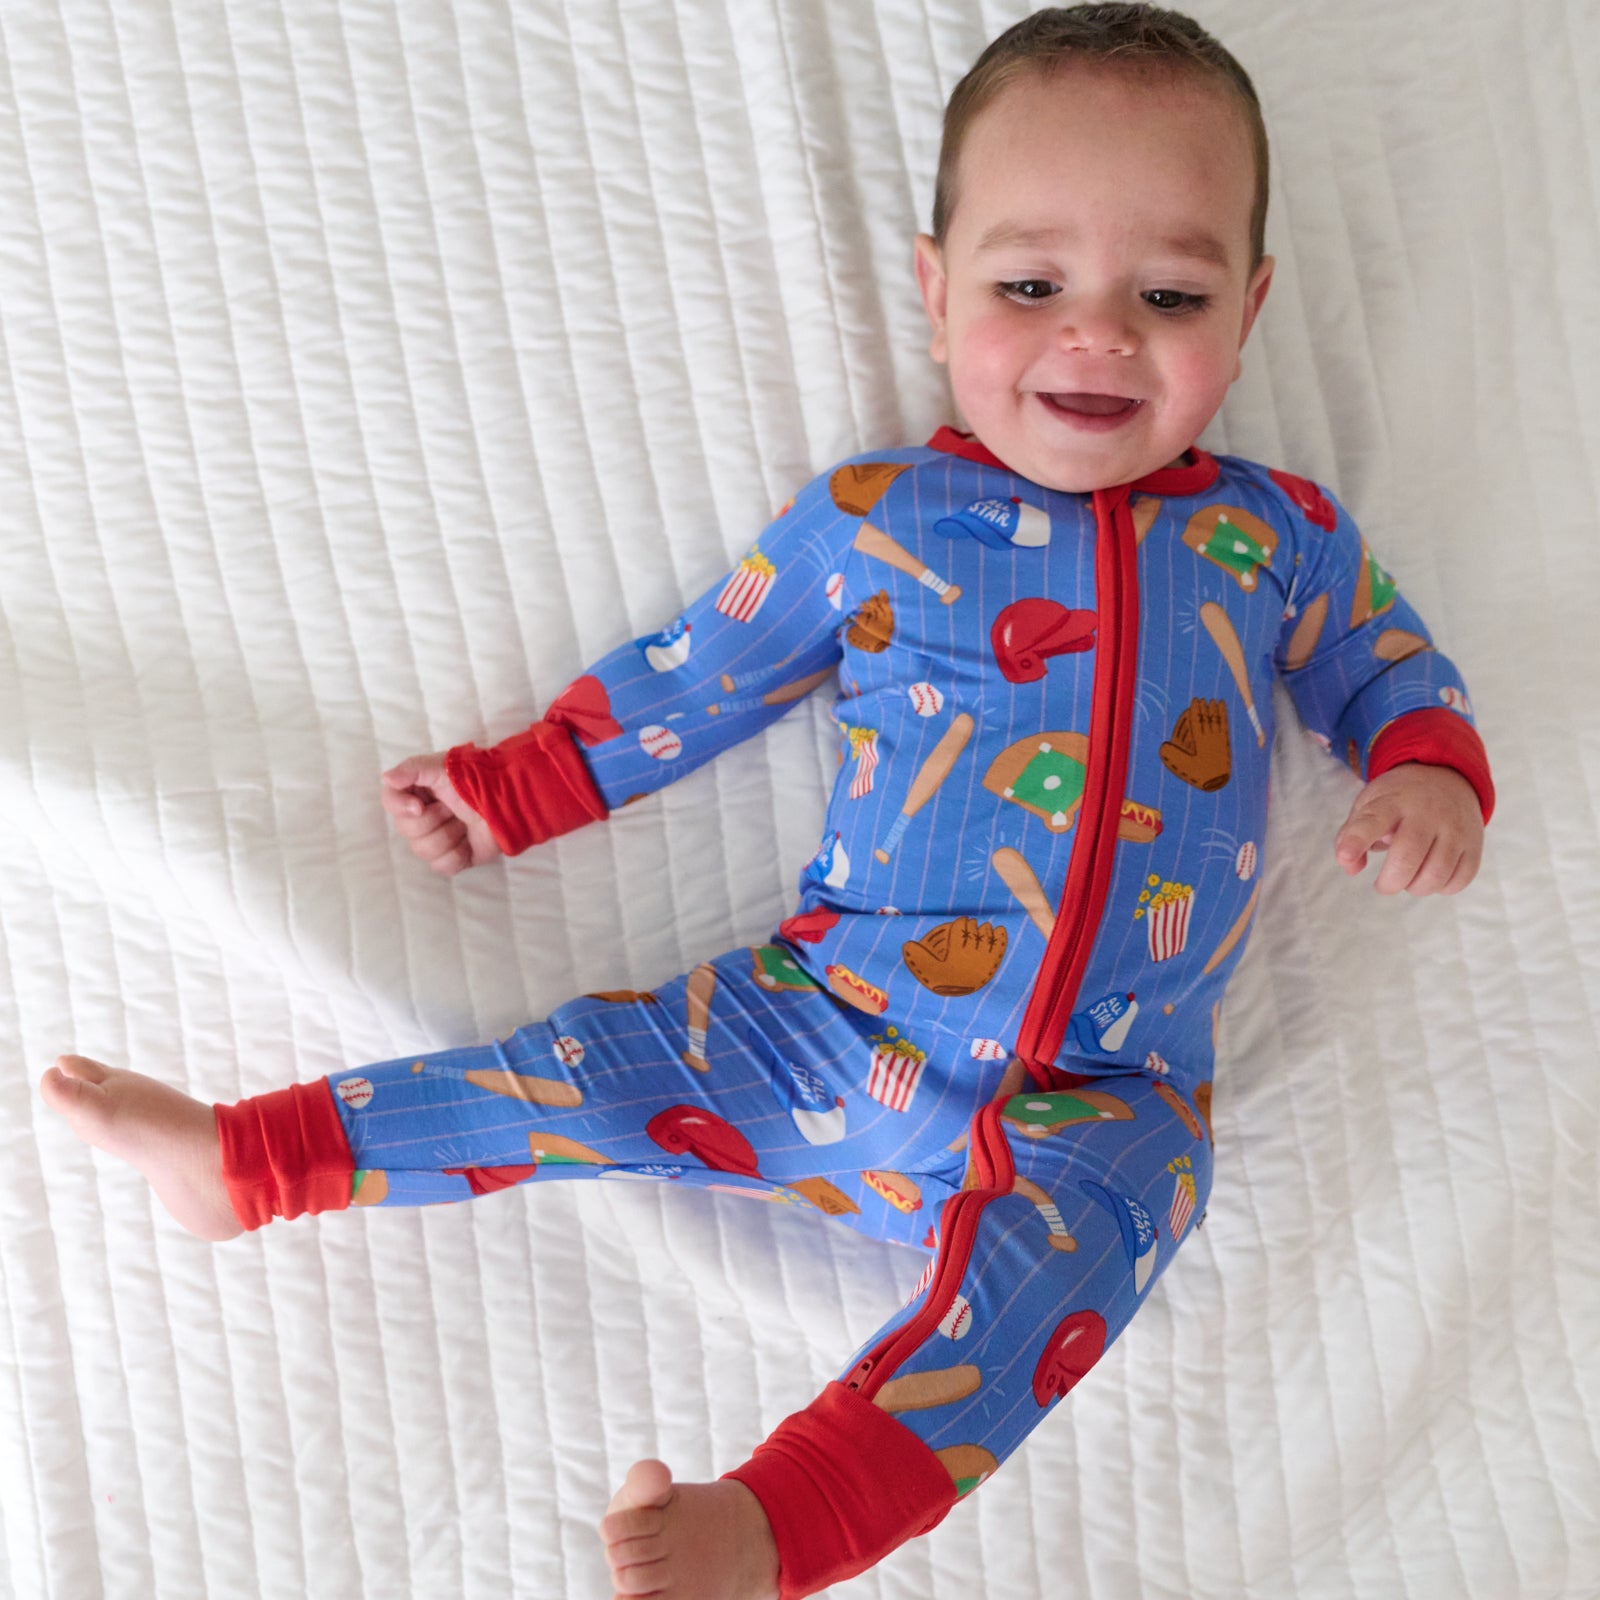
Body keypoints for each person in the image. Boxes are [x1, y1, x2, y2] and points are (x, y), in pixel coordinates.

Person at [38, 7, 1493, 1599]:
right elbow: (695, 675)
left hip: (1114, 1096)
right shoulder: (878, 517)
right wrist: (516, 787)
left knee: (1031, 1319)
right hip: (828, 1019)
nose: (1097, 336)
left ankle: (776, 1527)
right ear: (935, 292)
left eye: (1171, 294)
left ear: (1253, 305)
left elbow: (1385, 668)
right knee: (569, 1078)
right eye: (1029, 287)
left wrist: (1426, 772)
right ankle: (254, 1161)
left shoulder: (1276, 534)